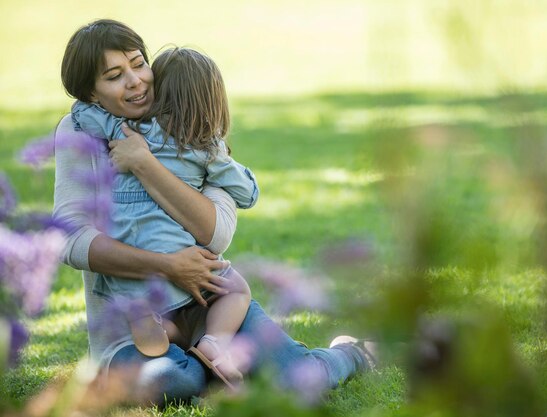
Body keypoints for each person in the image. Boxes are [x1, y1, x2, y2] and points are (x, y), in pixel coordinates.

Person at [54, 18, 373, 405]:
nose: (136, 81)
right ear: (91, 93)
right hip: (131, 324)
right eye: (115, 76)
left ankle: (351, 352)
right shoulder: (80, 133)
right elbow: (70, 240)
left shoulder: (192, 126)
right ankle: (224, 367)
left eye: (139, 64)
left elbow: (217, 235)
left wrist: (144, 163)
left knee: (298, 377)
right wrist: (167, 265)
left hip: (211, 304)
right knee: (175, 381)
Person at [71, 46, 256, 387]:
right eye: (114, 77)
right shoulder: (205, 148)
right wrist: (223, 159)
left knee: (172, 340)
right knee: (237, 290)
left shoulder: (128, 132)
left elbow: (82, 117)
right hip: (180, 257)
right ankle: (214, 343)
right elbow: (246, 193)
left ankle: (157, 323)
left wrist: (86, 105)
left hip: (129, 257)